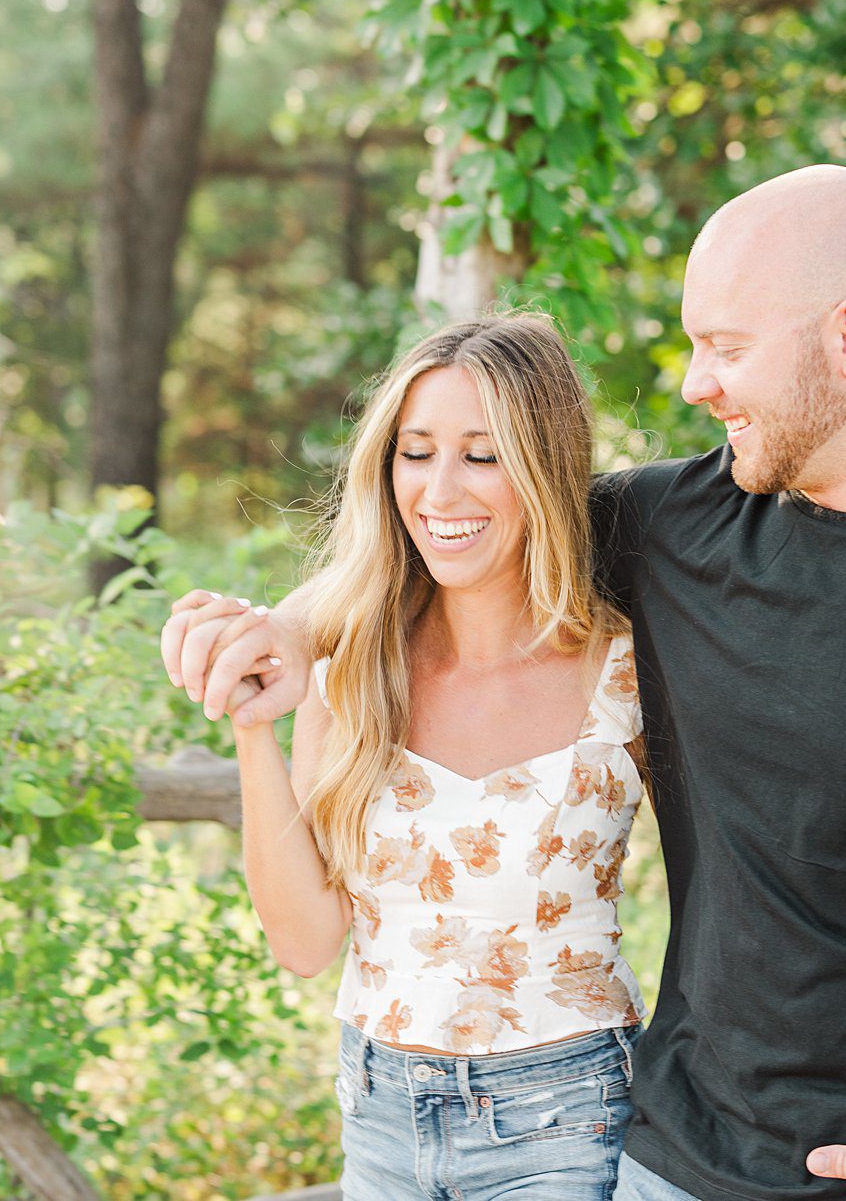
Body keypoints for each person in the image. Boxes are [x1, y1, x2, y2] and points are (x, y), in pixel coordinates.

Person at [166, 165, 846, 1201]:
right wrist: (293, 630)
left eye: (726, 347)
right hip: (677, 1161)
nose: (695, 384)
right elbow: (455, 533)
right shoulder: (680, 527)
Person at [165, 314, 651, 1198]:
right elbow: (307, 942)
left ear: (542, 468)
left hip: (566, 1118)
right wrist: (251, 729)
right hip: (380, 1117)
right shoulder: (352, 663)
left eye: (482, 453)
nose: (439, 490)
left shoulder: (623, 669)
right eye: (415, 452)